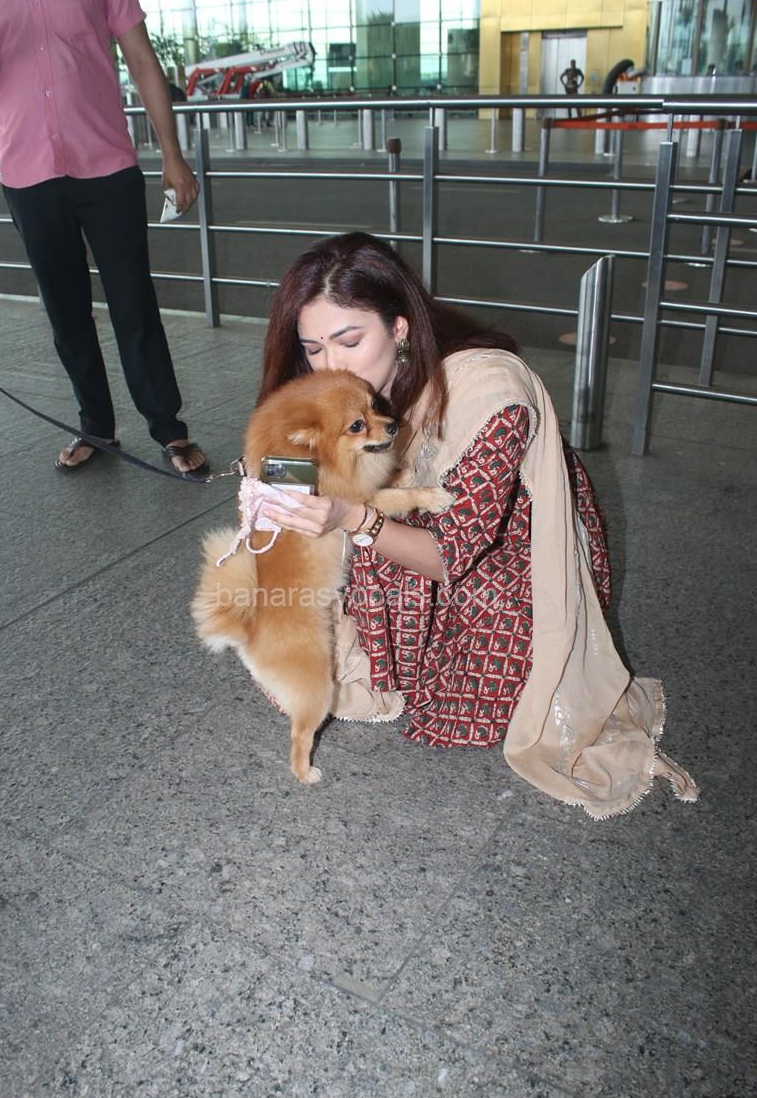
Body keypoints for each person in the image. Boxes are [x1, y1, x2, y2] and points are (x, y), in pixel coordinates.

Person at [256, 232, 699, 819]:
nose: (331, 365)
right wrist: (280, 485)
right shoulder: (336, 388)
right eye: (314, 348)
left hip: (508, 549)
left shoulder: (491, 393)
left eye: (350, 341)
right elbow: (302, 463)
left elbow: (450, 555)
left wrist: (351, 515)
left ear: (399, 328)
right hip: (407, 521)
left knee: (471, 705)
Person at [0, 0, 208, 476]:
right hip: (28, 172)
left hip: (107, 165)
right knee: (65, 311)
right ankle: (96, 427)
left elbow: (142, 59)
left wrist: (172, 154)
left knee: (134, 303)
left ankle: (169, 429)